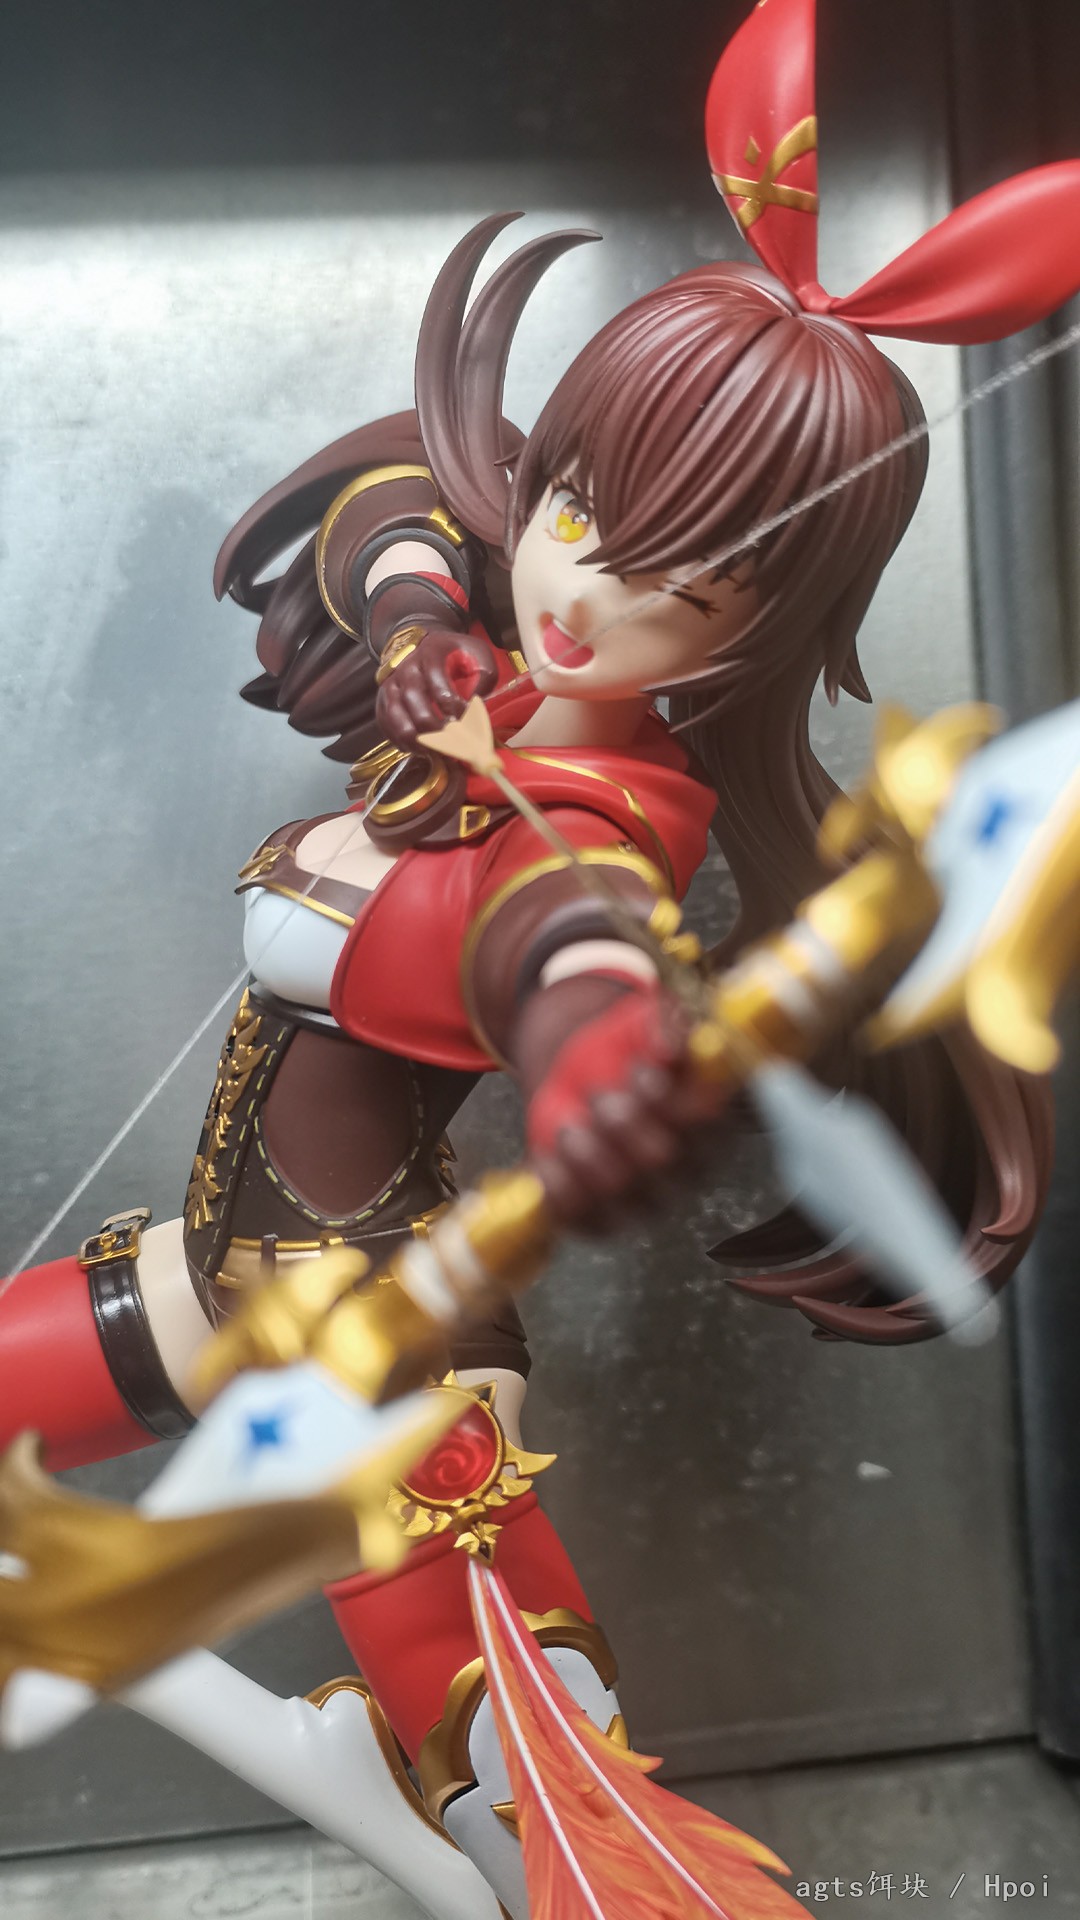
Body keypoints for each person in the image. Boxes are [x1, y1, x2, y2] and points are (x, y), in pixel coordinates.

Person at [3, 0, 1077, 1908]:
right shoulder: (497, 655)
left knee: (534, 1800)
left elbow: (552, 941)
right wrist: (422, 614)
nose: (588, 589)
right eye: (585, 510)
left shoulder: (610, 816)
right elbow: (404, 489)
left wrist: (596, 1063)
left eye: (689, 582)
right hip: (223, 1286)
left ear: (760, 627)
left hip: (383, 1348)